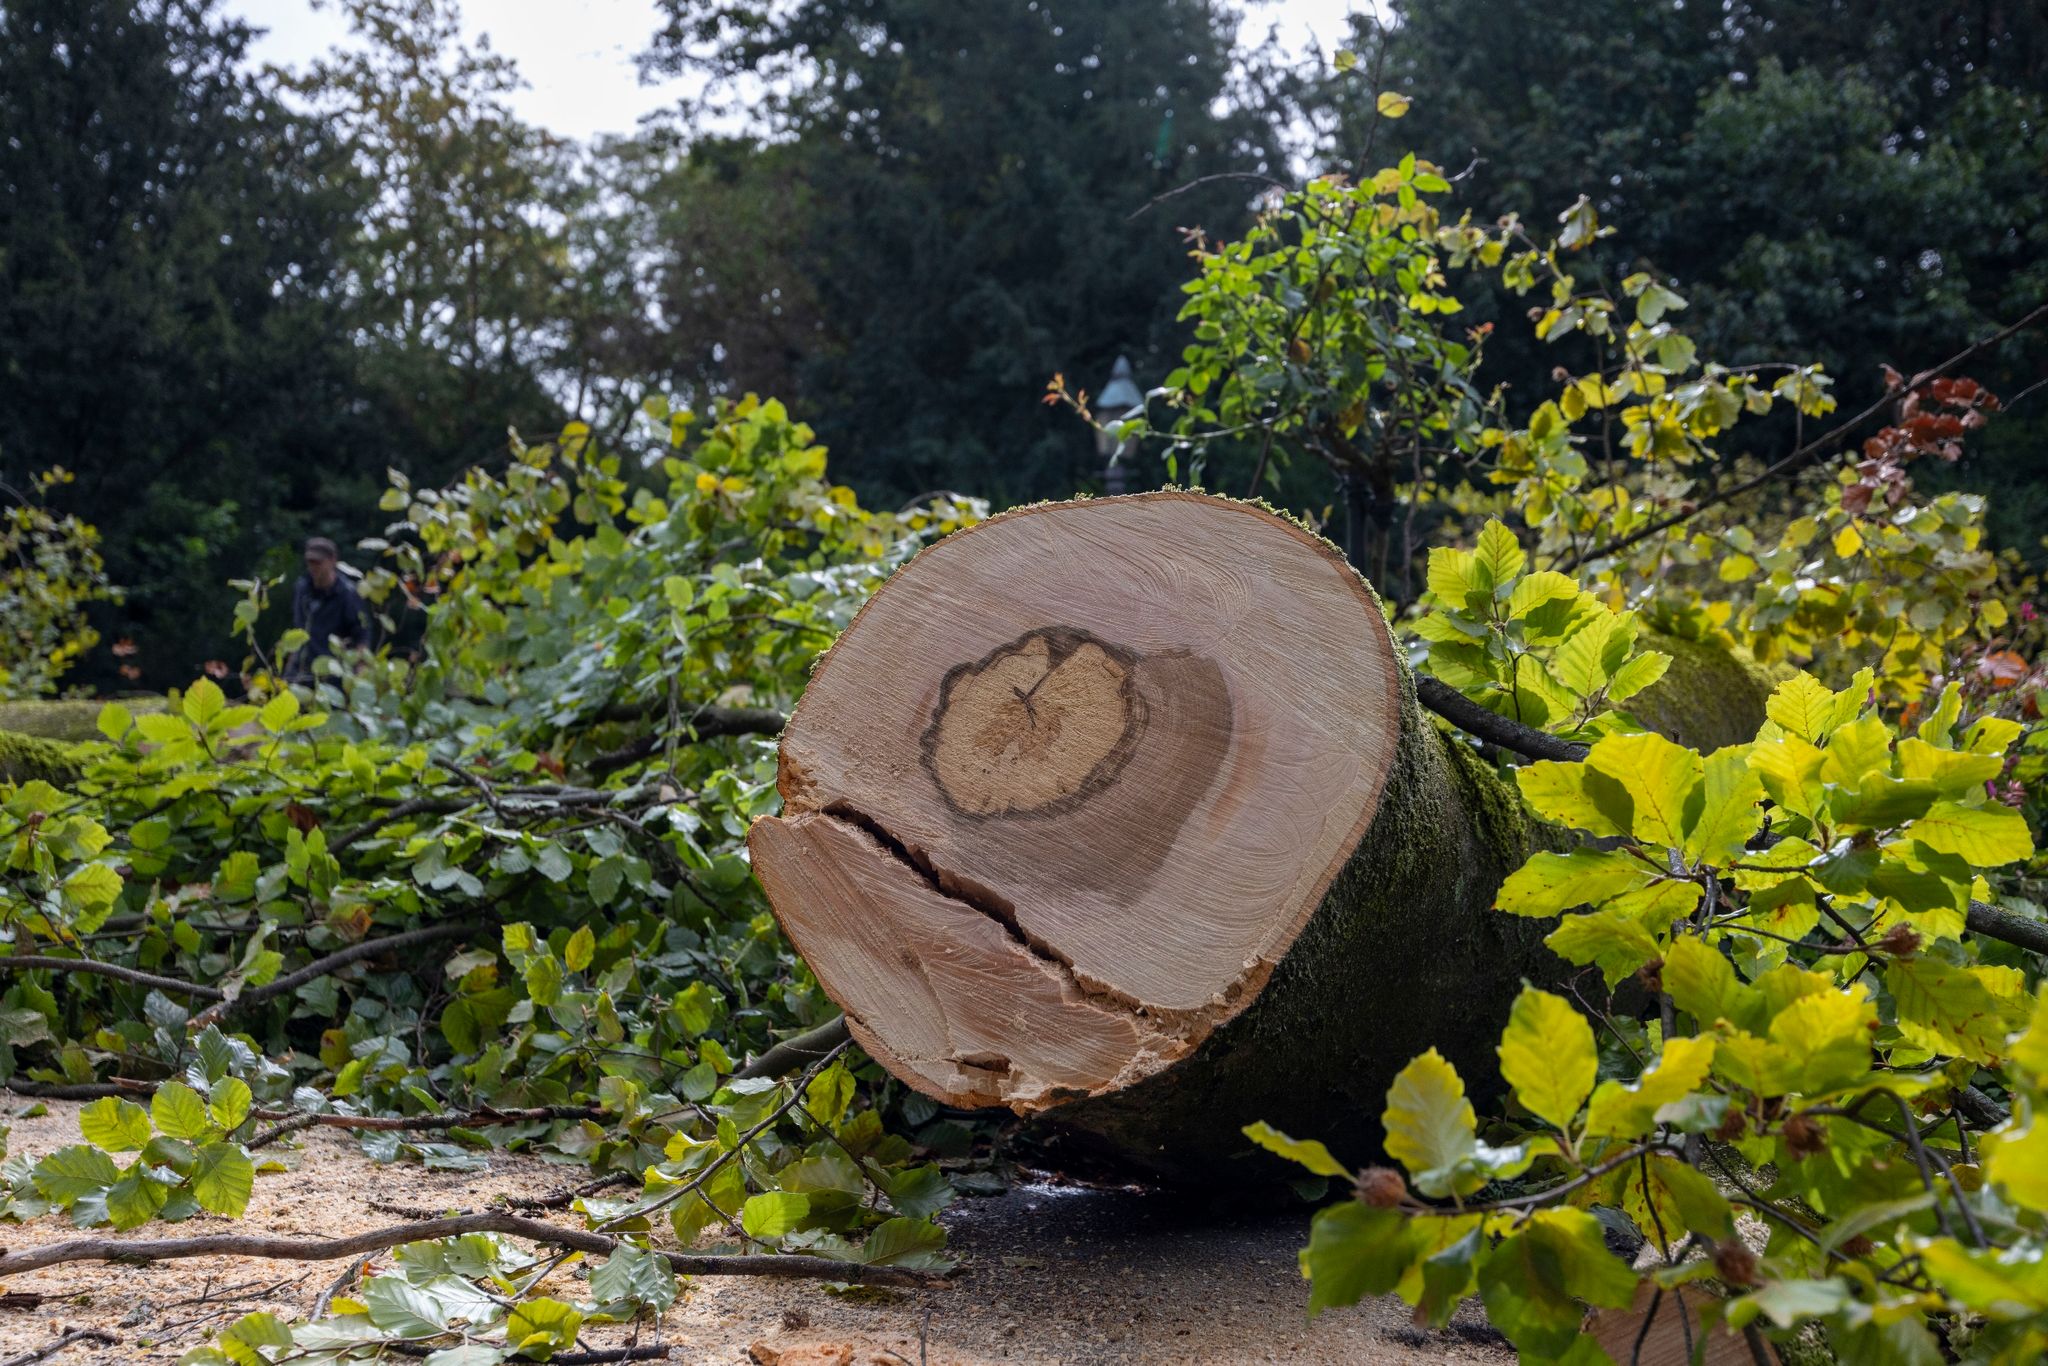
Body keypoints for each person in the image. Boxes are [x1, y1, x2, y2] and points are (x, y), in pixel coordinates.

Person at [287, 537, 367, 682]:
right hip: (300, 672)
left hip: (334, 675)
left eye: (318, 562)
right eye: (310, 562)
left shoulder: (347, 594)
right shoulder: (302, 588)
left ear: (332, 560)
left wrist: (358, 674)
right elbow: (298, 630)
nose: (313, 567)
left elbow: (361, 636)